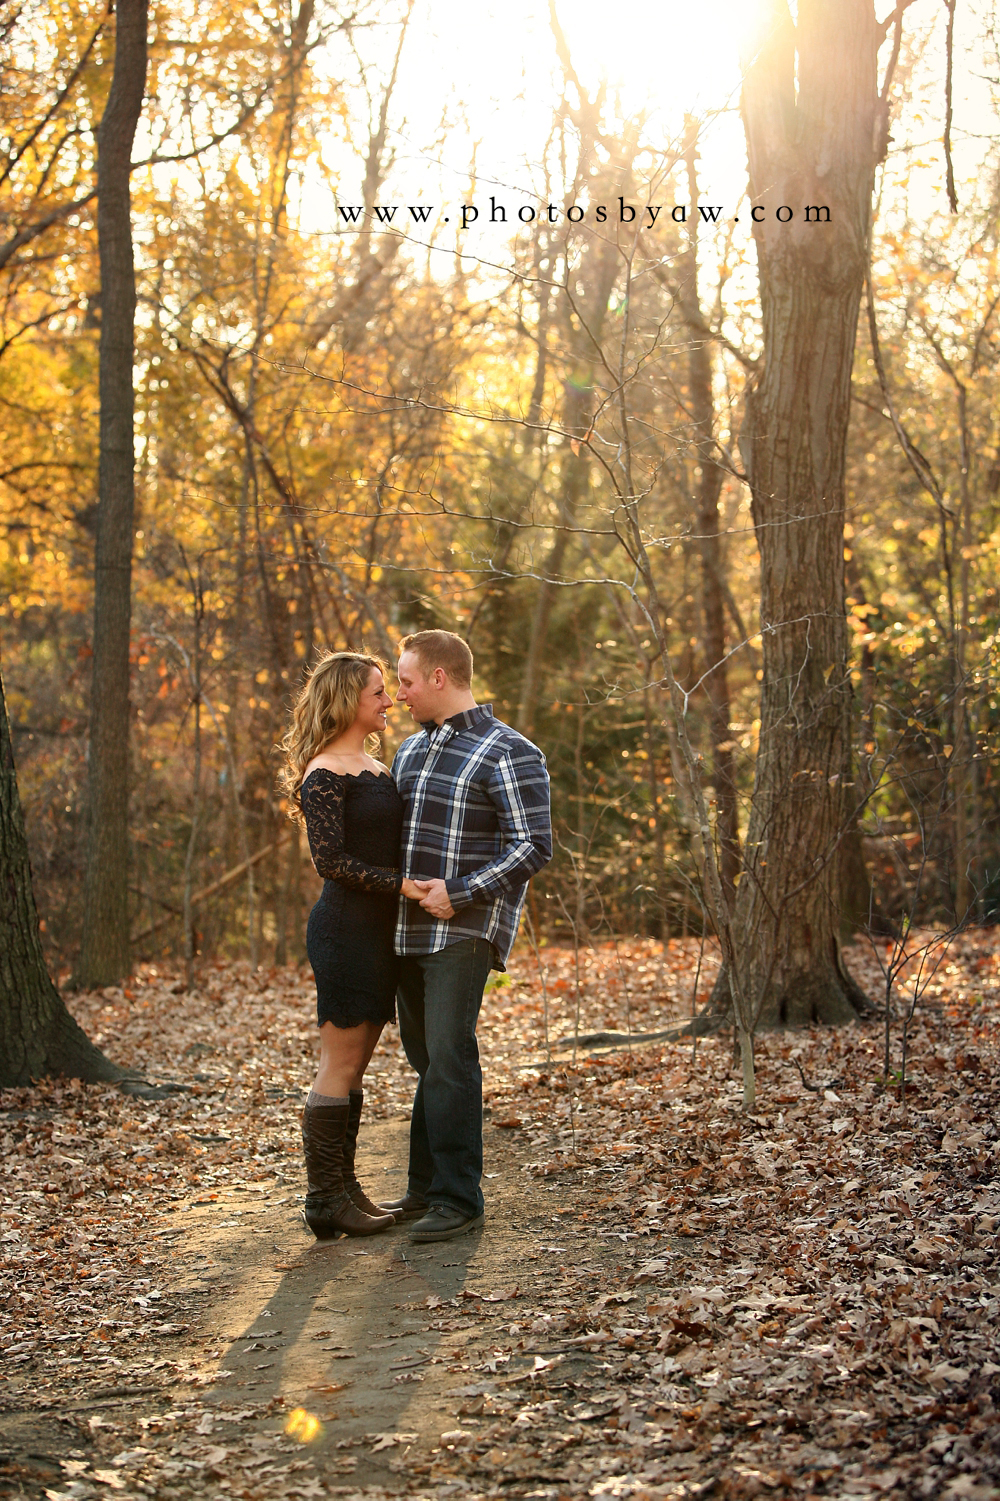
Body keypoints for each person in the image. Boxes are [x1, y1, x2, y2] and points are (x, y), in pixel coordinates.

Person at [378, 630, 552, 1243]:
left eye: (404, 681)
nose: (398, 693)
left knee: (450, 1055)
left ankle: (459, 1198)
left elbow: (533, 845)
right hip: (404, 932)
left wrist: (462, 890)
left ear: (440, 679)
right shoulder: (408, 752)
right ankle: (424, 1191)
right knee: (427, 1061)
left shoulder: (509, 751)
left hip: (465, 927)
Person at [279, 651, 429, 1239]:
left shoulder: (375, 764)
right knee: (339, 1065)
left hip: (380, 934)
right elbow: (331, 862)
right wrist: (402, 885)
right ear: (347, 700)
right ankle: (323, 1200)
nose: (389, 701)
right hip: (344, 932)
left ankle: (345, 1189)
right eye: (377, 693)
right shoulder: (324, 772)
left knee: (356, 1066)